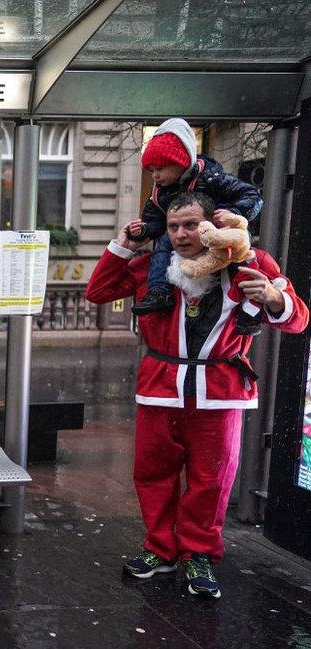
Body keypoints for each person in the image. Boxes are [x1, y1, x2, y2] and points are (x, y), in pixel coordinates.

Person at [85, 193, 308, 600]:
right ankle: (159, 548)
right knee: (153, 474)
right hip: (160, 389)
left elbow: (298, 320)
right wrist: (123, 245)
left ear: (211, 226)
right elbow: (97, 291)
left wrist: (277, 300)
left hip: (221, 393)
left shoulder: (252, 264)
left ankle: (199, 554)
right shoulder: (151, 266)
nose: (182, 235)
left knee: (212, 481)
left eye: (191, 225)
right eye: (173, 227)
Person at [129, 118, 264, 337]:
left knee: (243, 260)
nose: (155, 176)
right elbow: (153, 219)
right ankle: (160, 290)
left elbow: (251, 196)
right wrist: (144, 230)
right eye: (152, 170)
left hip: (220, 233)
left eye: (160, 169)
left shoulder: (211, 177)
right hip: (199, 241)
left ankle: (251, 312)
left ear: (180, 162)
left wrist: (233, 215)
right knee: (163, 243)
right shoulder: (160, 191)